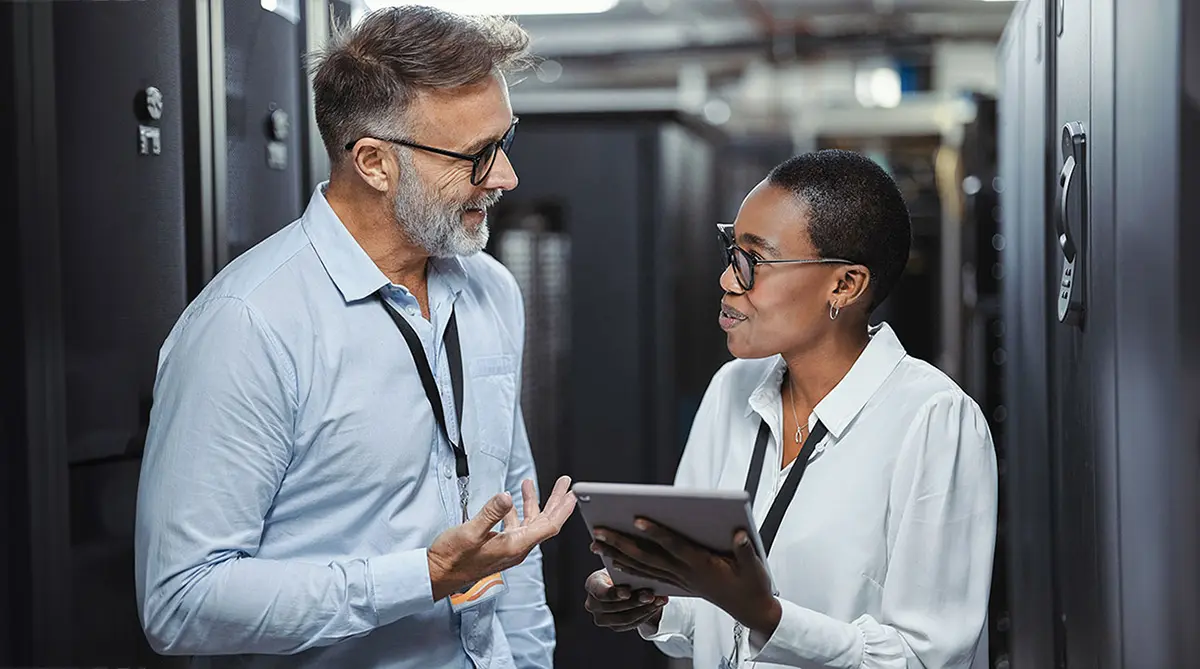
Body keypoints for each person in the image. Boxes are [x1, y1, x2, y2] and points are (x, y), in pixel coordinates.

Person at [134, 7, 576, 668]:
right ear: (374, 162)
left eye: (504, 141)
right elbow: (181, 601)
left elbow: (513, 527)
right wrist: (421, 576)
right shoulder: (248, 326)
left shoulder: (491, 291)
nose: (506, 177)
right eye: (478, 155)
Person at [583, 150, 998, 668]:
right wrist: (651, 604)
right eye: (730, 251)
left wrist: (768, 616)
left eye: (753, 261)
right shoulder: (731, 388)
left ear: (845, 285)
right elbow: (703, 617)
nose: (728, 281)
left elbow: (924, 658)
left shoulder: (934, 420)